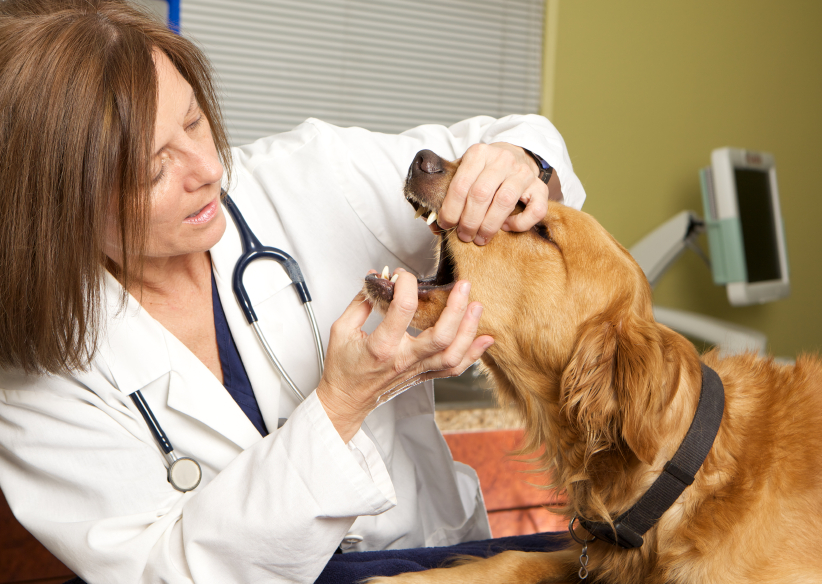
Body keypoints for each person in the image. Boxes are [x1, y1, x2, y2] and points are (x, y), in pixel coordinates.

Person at [0, 1, 586, 583]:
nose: (206, 167)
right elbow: (162, 572)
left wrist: (516, 166)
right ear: (55, 206)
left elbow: (517, 142)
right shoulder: (36, 377)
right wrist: (341, 405)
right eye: (153, 169)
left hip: (436, 558)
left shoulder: (307, 176)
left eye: (193, 121)